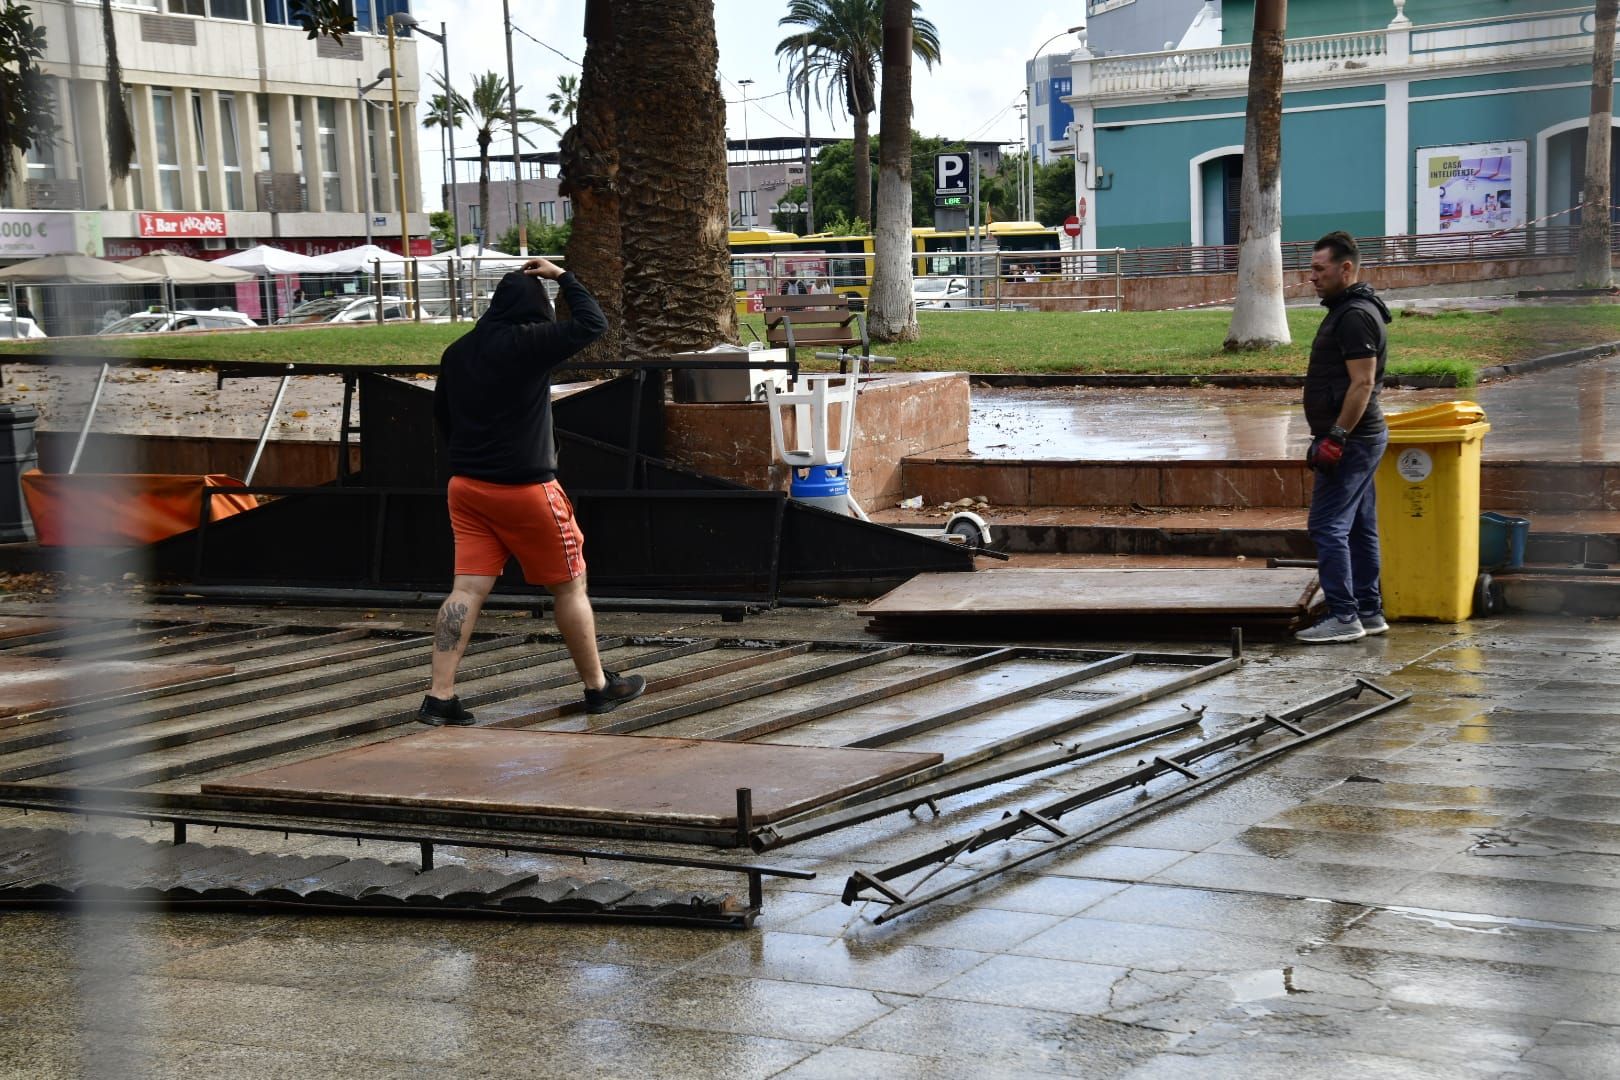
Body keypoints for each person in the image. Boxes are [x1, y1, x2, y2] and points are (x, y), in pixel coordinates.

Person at [420, 256, 646, 725]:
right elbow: (592, 324)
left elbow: (442, 418)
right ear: (534, 309)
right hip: (525, 487)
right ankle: (599, 687)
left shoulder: (457, 352)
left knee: (466, 588)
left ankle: (439, 697)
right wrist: (563, 275)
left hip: (465, 486)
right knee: (569, 585)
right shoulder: (529, 342)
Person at [1296, 231, 1392, 645]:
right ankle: (1369, 611)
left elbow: (1362, 383)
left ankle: (1344, 615)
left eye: (1320, 268)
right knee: (1358, 526)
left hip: (1352, 439)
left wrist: (1335, 435)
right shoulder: (1348, 309)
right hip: (1358, 437)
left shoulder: (1354, 315)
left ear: (1346, 268)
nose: (1311, 277)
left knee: (1327, 526)